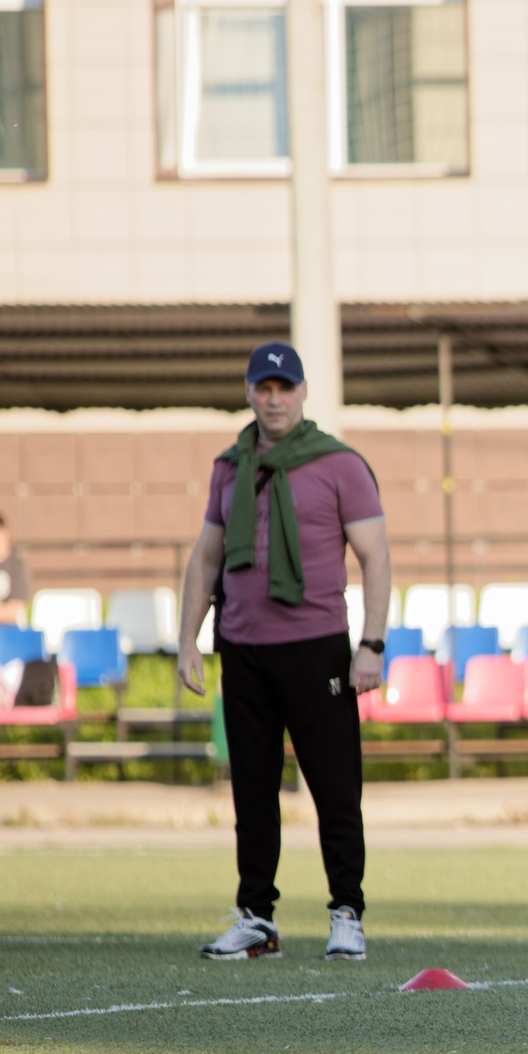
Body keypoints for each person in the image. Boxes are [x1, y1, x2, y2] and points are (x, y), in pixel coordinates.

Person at [175, 341, 390, 963]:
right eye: (263, 388)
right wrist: (187, 639)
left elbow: (376, 558)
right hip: (242, 648)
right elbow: (206, 557)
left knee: (334, 787)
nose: (273, 399)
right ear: (249, 392)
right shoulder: (229, 465)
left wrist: (371, 644)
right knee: (252, 790)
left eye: (284, 388)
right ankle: (255, 917)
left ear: (302, 393)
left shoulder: (340, 464)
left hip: (317, 647)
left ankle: (346, 911)